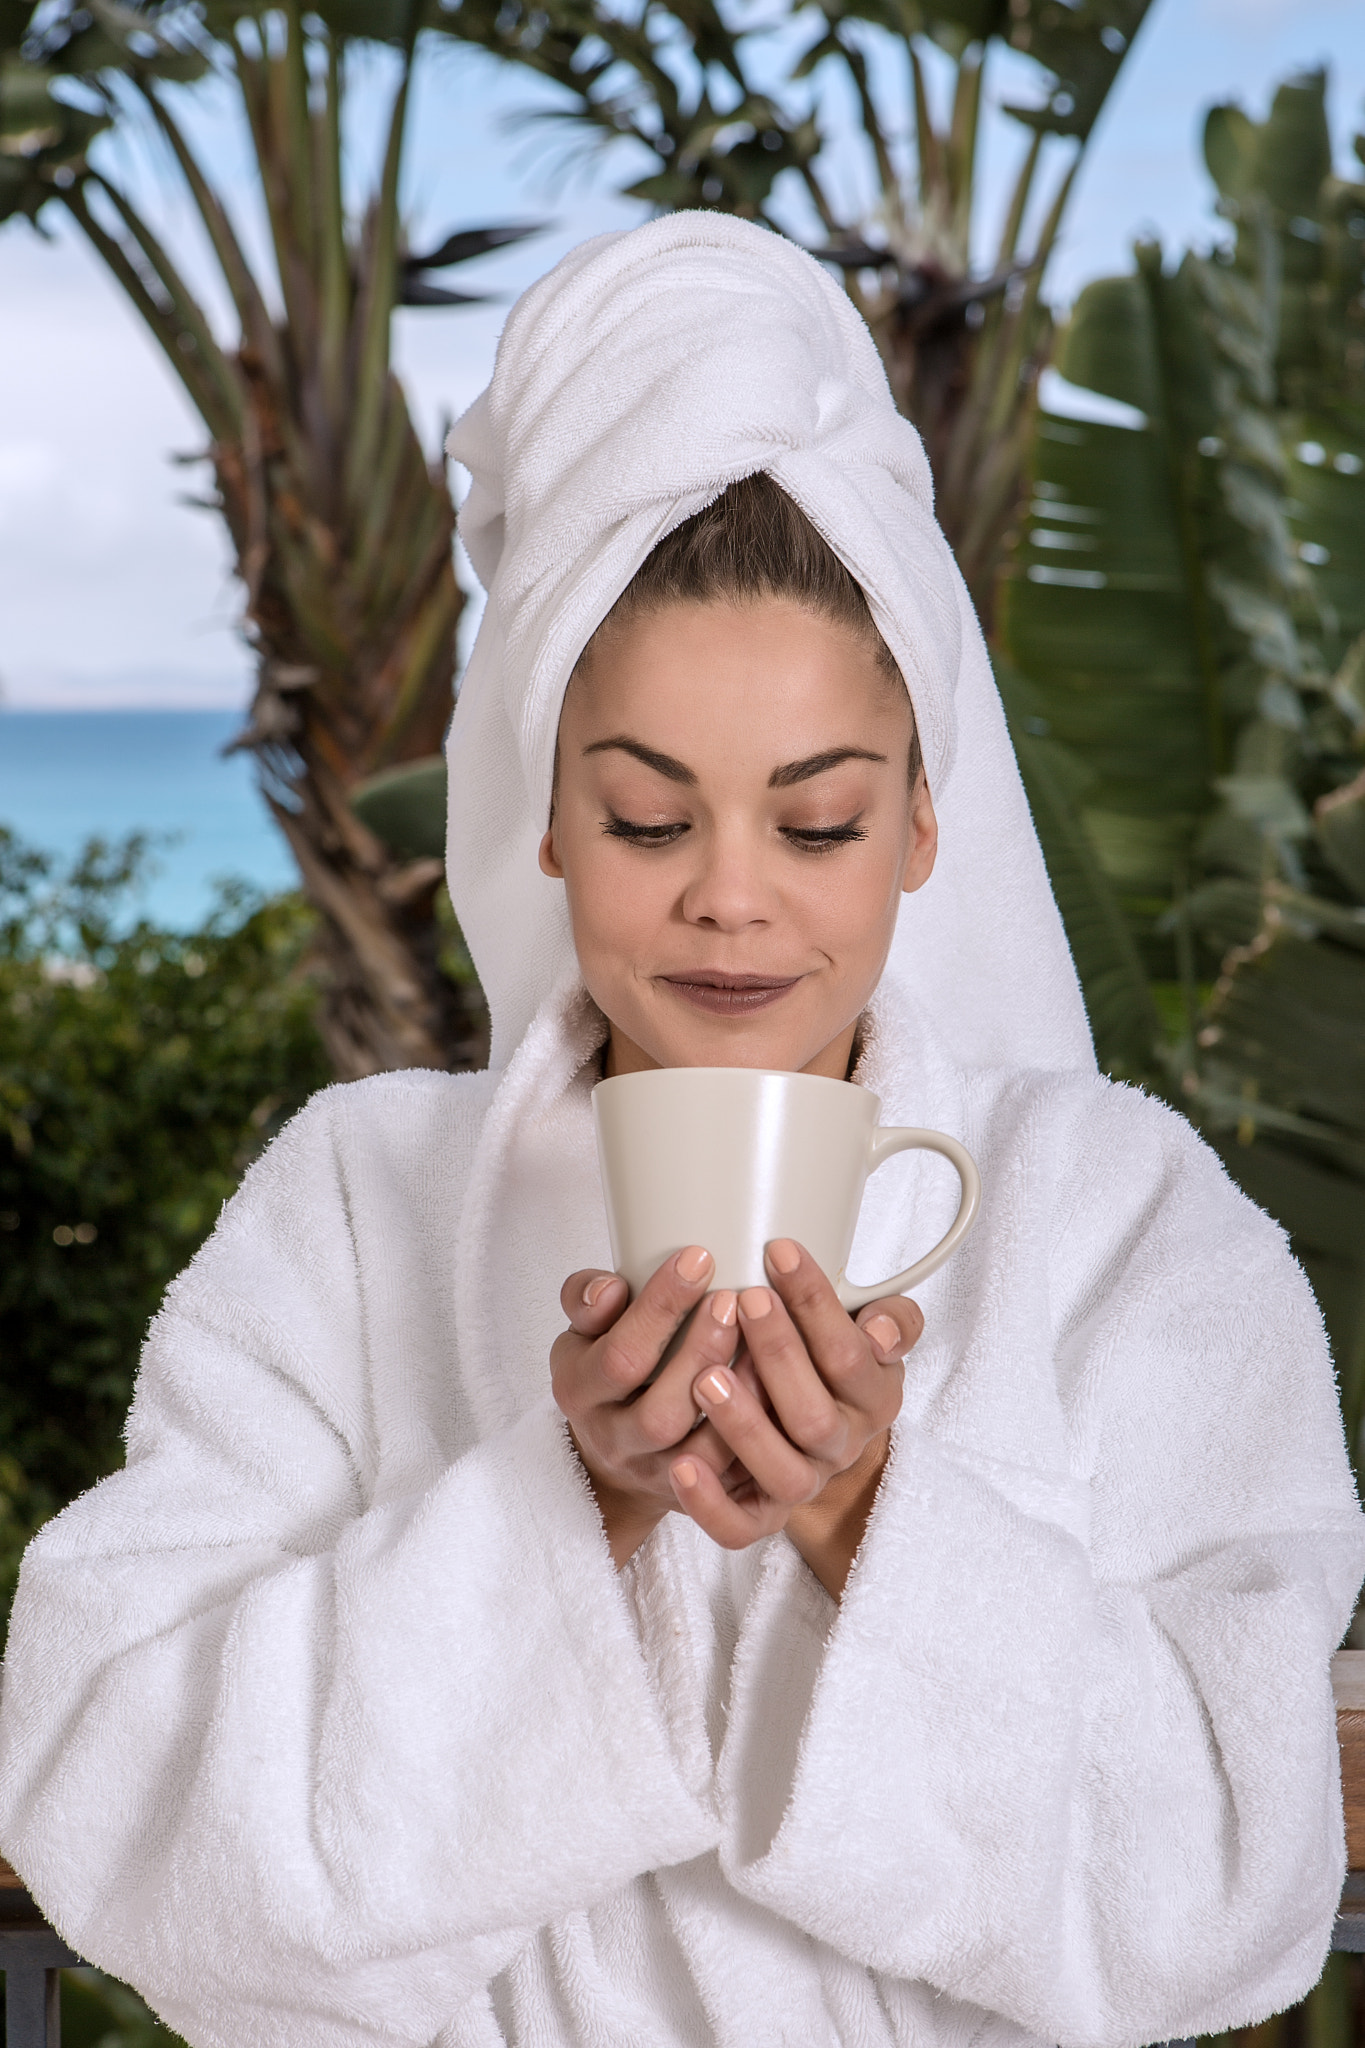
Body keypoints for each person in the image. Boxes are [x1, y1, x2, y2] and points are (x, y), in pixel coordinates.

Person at [0, 214, 1361, 2048]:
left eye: (815, 824)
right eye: (649, 820)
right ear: (546, 823)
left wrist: (869, 1514)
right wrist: (574, 1509)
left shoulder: (1122, 1224)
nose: (733, 902)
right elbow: (115, 1815)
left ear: (920, 831)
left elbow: (1239, 1878)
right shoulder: (352, 1206)